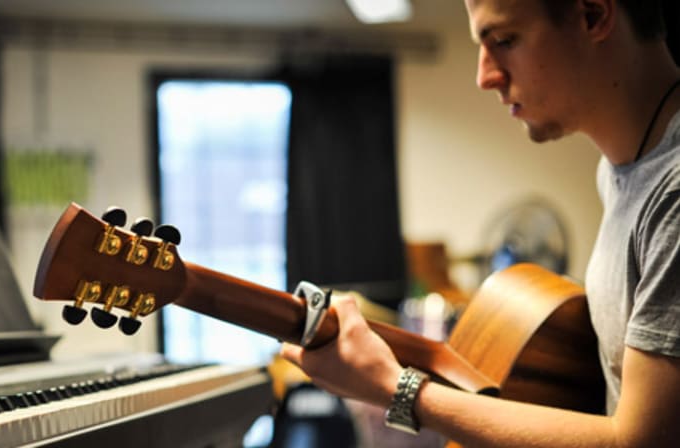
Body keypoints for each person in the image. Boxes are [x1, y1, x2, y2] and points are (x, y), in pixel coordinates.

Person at [281, 0, 680, 446]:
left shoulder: (674, 193)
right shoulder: (618, 172)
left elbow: (644, 440)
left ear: (592, 14)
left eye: (505, 40)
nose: (485, 75)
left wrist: (396, 388)